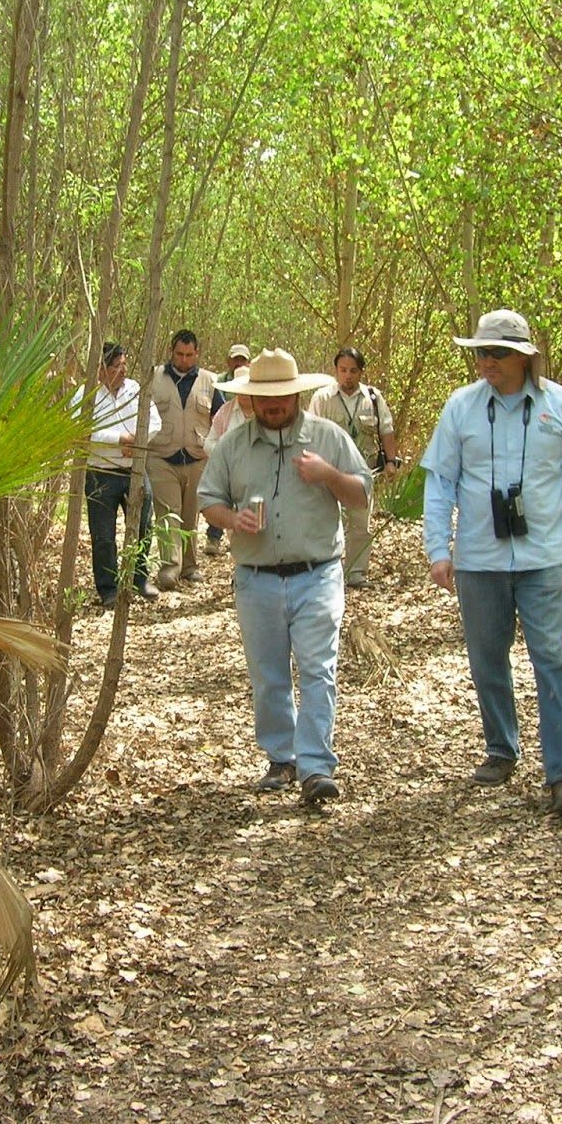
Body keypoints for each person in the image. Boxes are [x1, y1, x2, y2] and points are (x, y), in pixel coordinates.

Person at [421, 309, 562, 816]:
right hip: (479, 559)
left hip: (546, 557)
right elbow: (440, 482)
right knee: (487, 658)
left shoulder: (560, 405)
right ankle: (502, 748)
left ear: (524, 356)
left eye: (497, 353)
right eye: (481, 352)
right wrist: (438, 549)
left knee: (552, 658)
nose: (487, 361)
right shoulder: (460, 407)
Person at [199, 348, 372, 805]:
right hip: (256, 578)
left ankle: (316, 767)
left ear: (297, 396)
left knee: (318, 669)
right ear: (251, 398)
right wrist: (233, 519)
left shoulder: (328, 437)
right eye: (265, 398)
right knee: (269, 674)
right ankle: (282, 758)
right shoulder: (233, 445)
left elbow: (361, 495)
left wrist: (328, 474)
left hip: (317, 573)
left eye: (282, 397)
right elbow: (208, 499)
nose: (274, 405)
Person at [307, 347, 404, 588]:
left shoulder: (373, 398)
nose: (347, 376)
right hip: (329, 471)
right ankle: (326, 571)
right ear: (336, 371)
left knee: (361, 524)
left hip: (363, 471)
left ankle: (356, 573)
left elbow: (386, 429)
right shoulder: (322, 398)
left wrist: (391, 461)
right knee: (327, 522)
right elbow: (309, 432)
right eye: (343, 370)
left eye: (353, 371)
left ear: (361, 372)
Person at [79, 342, 162, 608]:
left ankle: (140, 579)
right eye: (118, 365)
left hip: (134, 470)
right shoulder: (86, 394)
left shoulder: (136, 389)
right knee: (103, 535)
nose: (124, 370)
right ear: (102, 368)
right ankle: (108, 589)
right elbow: (83, 430)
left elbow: (155, 422)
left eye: (125, 364)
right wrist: (119, 439)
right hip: (100, 474)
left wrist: (135, 440)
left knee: (143, 526)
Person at [148, 329, 223, 589]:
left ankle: (189, 566)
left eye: (189, 355)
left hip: (196, 456)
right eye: (179, 354)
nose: (184, 359)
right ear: (171, 351)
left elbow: (220, 418)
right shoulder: (153, 377)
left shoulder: (210, 381)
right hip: (161, 456)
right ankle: (170, 569)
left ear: (197, 353)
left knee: (191, 514)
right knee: (168, 513)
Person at [206, 343, 251, 557]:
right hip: (231, 477)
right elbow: (209, 443)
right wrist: (224, 458)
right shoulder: (225, 412)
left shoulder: (266, 413)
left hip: (260, 479)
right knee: (234, 526)